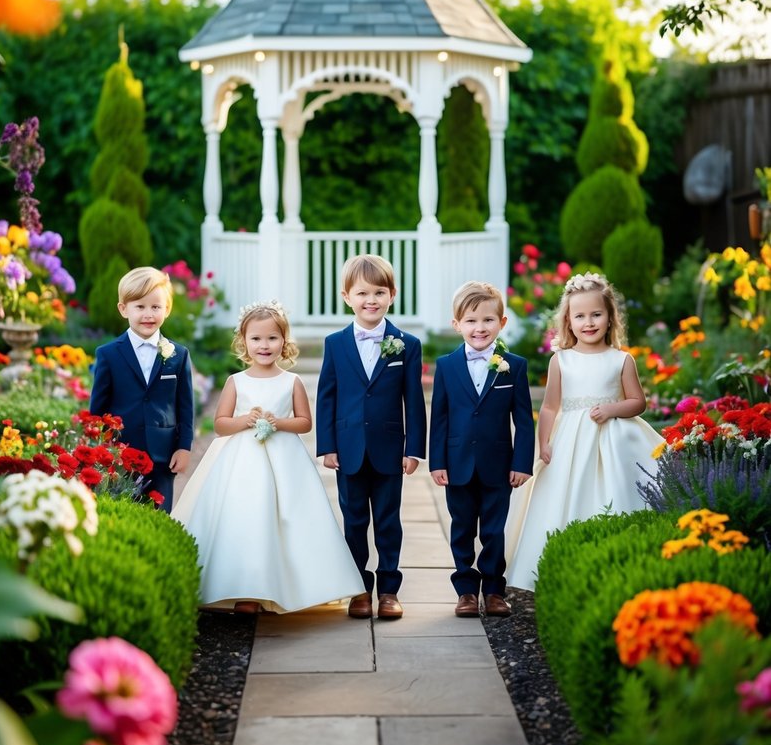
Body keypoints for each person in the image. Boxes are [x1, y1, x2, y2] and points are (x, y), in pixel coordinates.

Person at [172, 300, 364, 613]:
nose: (264, 345)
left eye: (272, 338)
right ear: (243, 342)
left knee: (287, 519)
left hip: (285, 462)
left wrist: (278, 422)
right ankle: (244, 590)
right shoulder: (236, 381)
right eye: (257, 339)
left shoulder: (292, 381)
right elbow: (221, 424)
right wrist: (245, 419)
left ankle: (289, 587)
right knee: (244, 519)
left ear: (284, 342)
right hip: (241, 464)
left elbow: (305, 422)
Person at [505, 271, 662, 591]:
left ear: (609, 318)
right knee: (565, 493)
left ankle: (617, 559)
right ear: (568, 321)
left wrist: (611, 409)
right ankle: (560, 565)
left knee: (613, 493)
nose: (588, 322)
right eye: (580, 316)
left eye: (596, 314)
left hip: (614, 441)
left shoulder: (621, 359)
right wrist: (543, 443)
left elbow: (637, 402)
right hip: (570, 443)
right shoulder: (561, 360)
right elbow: (549, 406)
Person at [315, 253, 427, 621]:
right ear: (347, 296)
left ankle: (390, 590)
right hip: (347, 450)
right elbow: (327, 395)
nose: (371, 300)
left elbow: (414, 400)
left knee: (388, 520)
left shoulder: (406, 344)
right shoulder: (335, 343)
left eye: (379, 292)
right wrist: (327, 445)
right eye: (362, 293)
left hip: (390, 449)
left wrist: (414, 449)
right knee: (354, 521)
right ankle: (359, 589)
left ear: (392, 294)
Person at [429, 280, 535, 619]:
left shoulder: (514, 366)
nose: (480, 328)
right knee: (461, 527)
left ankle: (493, 590)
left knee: (493, 529)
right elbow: (440, 417)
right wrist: (437, 461)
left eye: (488, 320)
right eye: (471, 321)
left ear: (502, 323)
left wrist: (522, 463)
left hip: (498, 464)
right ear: (457, 324)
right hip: (457, 463)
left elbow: (523, 418)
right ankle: (464, 590)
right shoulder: (446, 366)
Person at [89, 266, 194, 513]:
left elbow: (185, 406)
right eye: (140, 306)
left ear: (166, 309)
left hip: (164, 454)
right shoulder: (108, 354)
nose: (148, 314)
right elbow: (97, 409)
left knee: (160, 512)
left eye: (155, 307)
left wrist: (184, 446)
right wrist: (101, 449)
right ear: (123, 309)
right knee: (123, 511)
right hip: (121, 453)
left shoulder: (178, 355)